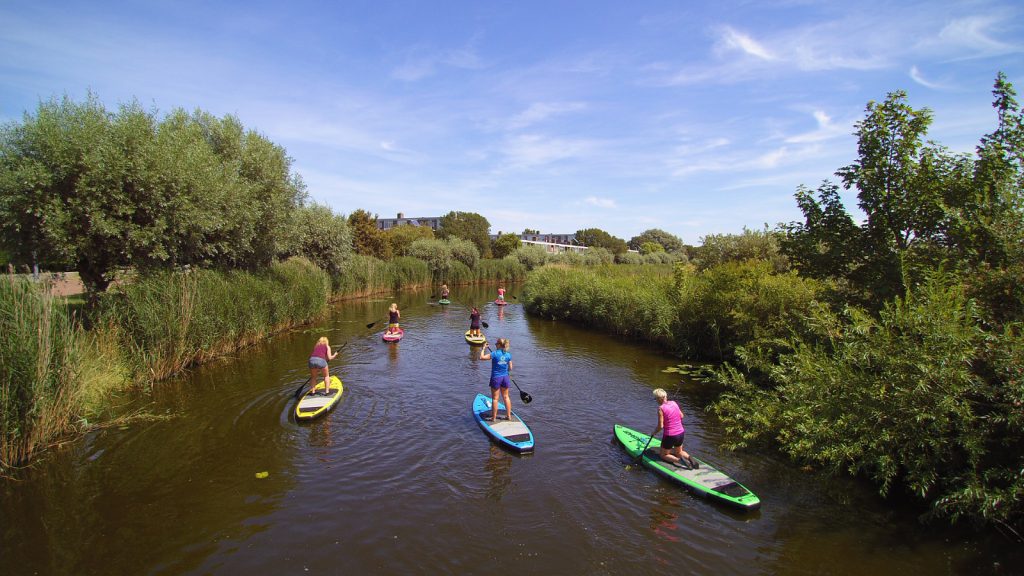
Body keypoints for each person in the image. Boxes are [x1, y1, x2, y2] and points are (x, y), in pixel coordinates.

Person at [651, 388, 698, 469]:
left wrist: (654, 432)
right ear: (665, 396)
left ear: (659, 399)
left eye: (655, 398)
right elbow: (681, 416)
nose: (656, 400)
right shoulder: (674, 403)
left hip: (670, 435)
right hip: (681, 433)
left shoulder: (660, 408)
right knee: (678, 452)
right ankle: (690, 458)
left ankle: (679, 461)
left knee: (663, 455)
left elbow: (660, 426)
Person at [480, 338, 513, 422]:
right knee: (506, 397)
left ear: (499, 345)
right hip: (505, 377)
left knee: (495, 399)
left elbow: (481, 357)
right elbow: (510, 368)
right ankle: (508, 416)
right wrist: (506, 371)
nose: (495, 345)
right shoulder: (508, 355)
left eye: (496, 344)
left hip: (496, 378)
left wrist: (483, 348)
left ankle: (493, 418)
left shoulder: (494, 354)